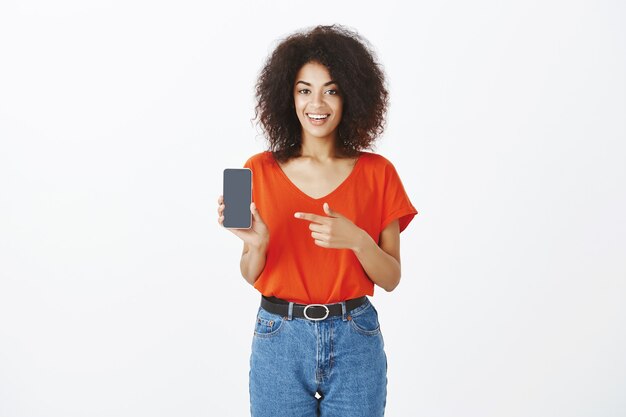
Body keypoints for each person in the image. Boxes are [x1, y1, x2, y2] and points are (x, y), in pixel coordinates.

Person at [217, 24, 418, 417]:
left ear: (350, 97)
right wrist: (257, 245)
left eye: (331, 90)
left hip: (355, 338)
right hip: (279, 338)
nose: (317, 103)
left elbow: (391, 278)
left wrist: (358, 240)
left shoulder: (379, 173)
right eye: (304, 90)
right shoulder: (258, 170)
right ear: (288, 97)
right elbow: (249, 272)